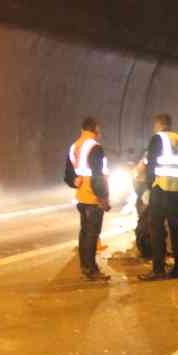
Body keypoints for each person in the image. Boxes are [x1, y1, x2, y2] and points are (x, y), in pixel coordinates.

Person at [139, 113, 178, 280]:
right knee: (176, 230)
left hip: (161, 190)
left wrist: (148, 187)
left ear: (159, 125)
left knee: (157, 230)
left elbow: (152, 165)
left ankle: (158, 270)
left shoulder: (158, 139)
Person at [64, 116, 111, 281]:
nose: (100, 132)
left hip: (81, 197)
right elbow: (98, 175)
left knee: (84, 233)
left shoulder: (74, 147)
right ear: (95, 128)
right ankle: (91, 270)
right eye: (99, 129)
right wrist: (103, 198)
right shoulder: (94, 147)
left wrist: (73, 181)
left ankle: (85, 266)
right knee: (92, 233)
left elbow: (68, 174)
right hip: (93, 198)